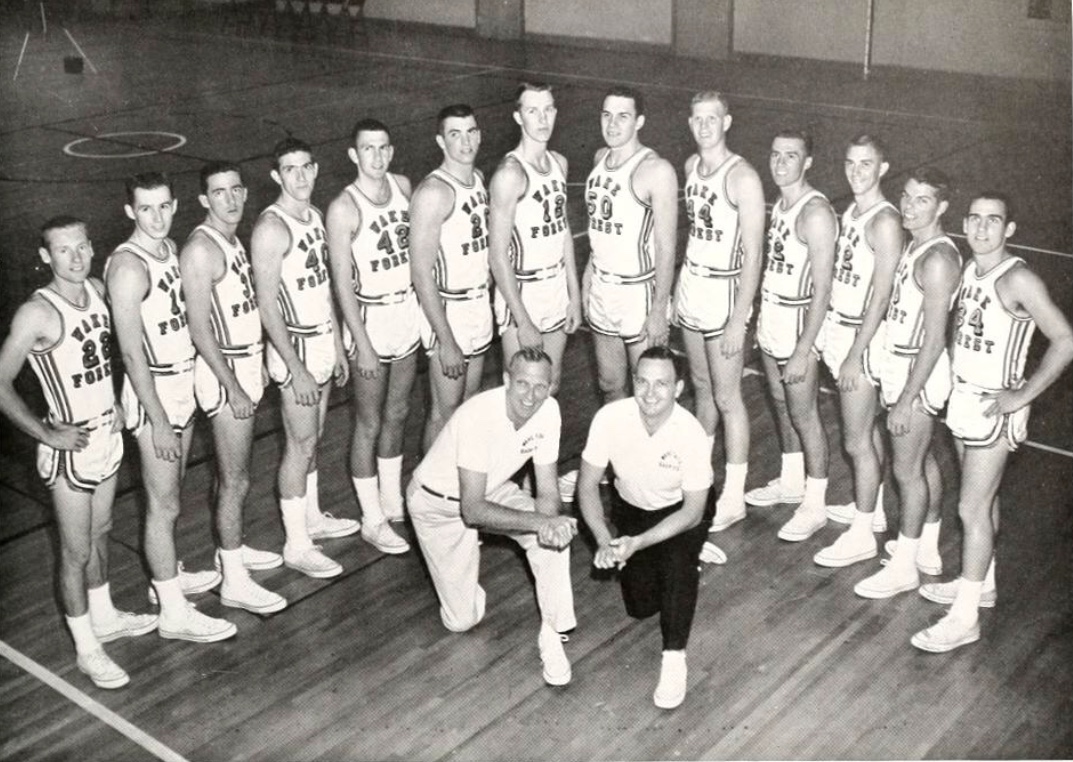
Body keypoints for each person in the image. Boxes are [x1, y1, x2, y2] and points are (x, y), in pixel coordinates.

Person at [0, 217, 157, 689]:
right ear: (46, 257)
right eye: (63, 250)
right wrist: (45, 433)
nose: (76, 256)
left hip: (107, 434)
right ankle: (88, 650)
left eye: (82, 246)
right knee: (74, 551)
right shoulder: (36, 313)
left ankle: (105, 615)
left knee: (102, 532)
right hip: (72, 450)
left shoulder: (97, 289)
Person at [912, 192, 1073, 651]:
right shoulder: (968, 269)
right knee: (982, 500)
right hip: (965, 399)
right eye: (976, 219)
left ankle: (964, 619)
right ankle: (980, 584)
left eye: (994, 220)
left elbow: (1065, 339)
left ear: (1010, 229)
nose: (982, 229)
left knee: (971, 509)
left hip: (993, 408)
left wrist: (1022, 394)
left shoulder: (1019, 279)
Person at [105, 173, 235, 642]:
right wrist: (157, 419)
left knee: (171, 499)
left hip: (179, 386)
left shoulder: (168, 250)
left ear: (176, 206)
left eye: (163, 207)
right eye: (145, 209)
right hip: (153, 395)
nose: (156, 217)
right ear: (130, 212)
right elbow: (130, 353)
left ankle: (167, 585)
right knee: (163, 506)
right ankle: (174, 614)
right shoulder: (128, 268)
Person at [406, 348, 577, 686]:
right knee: (463, 621)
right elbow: (471, 510)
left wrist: (549, 531)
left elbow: (546, 491)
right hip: (438, 504)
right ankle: (460, 573)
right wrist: (541, 523)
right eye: (522, 384)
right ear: (506, 381)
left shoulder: (549, 412)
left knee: (555, 540)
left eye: (540, 387)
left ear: (550, 387)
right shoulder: (477, 416)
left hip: (493, 488)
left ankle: (552, 632)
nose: (531, 396)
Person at [576, 346, 712, 709]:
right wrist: (606, 540)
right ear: (633, 381)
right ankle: (663, 558)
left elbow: (694, 510)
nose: (651, 393)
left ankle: (674, 658)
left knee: (679, 567)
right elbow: (586, 486)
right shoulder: (609, 417)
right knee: (640, 608)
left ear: (679, 388)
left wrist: (639, 543)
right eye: (643, 382)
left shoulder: (692, 433)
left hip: (680, 513)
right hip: (631, 511)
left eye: (662, 384)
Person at [179, 160, 287, 615]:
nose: (230, 199)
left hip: (243, 366)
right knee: (236, 480)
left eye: (236, 189)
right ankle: (235, 581)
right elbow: (199, 328)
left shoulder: (231, 237)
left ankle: (233, 554)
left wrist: (258, 360)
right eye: (219, 192)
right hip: (224, 375)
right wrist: (233, 387)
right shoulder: (202, 249)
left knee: (233, 476)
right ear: (204, 199)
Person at [854, 168, 960, 599]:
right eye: (908, 197)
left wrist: (906, 401)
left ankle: (904, 568)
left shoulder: (936, 260)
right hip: (902, 366)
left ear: (942, 207)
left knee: (906, 471)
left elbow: (934, 340)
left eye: (923, 200)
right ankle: (927, 549)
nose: (910, 207)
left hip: (918, 373)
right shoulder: (919, 248)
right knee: (922, 461)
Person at [251, 137, 353, 580]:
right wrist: (295, 367)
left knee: (315, 438)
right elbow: (267, 306)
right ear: (277, 175)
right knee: (299, 445)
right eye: (288, 169)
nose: (298, 176)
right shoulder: (271, 228)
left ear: (315, 169)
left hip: (322, 342)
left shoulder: (312, 216)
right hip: (295, 350)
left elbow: (322, 285)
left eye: (305, 167)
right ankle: (296, 544)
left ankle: (311, 518)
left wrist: (337, 338)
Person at [674, 91, 765, 533]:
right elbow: (693, 235)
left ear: (727, 122)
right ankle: (699, 476)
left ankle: (734, 495)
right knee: (702, 385)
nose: (704, 126)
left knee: (729, 398)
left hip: (726, 289)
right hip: (693, 283)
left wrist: (738, 316)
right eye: (697, 119)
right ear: (690, 123)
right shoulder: (691, 169)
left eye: (713, 119)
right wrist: (677, 288)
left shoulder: (742, 177)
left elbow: (753, 254)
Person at [812, 135, 902, 568]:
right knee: (868, 434)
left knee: (856, 440)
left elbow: (882, 297)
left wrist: (855, 354)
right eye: (850, 163)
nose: (856, 171)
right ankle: (876, 508)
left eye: (866, 164)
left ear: (883, 168)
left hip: (862, 339)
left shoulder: (884, 222)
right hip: (841, 328)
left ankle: (863, 534)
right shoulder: (852, 210)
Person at [325, 118, 414, 554]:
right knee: (369, 422)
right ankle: (371, 518)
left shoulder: (403, 186)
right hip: (370, 320)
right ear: (353, 155)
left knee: (398, 413)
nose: (376, 157)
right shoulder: (344, 207)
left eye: (383, 148)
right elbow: (341, 283)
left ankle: (392, 500)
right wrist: (359, 342)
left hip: (406, 312)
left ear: (391, 152)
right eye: (367, 149)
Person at [747, 130, 837, 542]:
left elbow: (823, 289)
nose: (781, 163)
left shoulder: (814, 212)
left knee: (804, 415)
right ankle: (790, 480)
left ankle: (815, 504)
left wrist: (805, 348)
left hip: (800, 322)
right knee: (781, 404)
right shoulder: (781, 204)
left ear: (808, 161)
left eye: (792, 156)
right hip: (773, 316)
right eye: (776, 154)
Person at [584, 86, 678, 402]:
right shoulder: (599, 159)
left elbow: (667, 247)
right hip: (602, 289)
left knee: (649, 391)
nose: (612, 124)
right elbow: (598, 231)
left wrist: (659, 309)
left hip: (637, 294)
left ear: (639, 121)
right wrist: (587, 282)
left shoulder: (656, 170)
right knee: (610, 383)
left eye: (623, 117)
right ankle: (621, 452)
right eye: (607, 115)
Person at [489, 82, 582, 394]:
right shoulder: (509, 173)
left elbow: (563, 230)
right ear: (519, 117)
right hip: (522, 291)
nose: (542, 119)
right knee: (520, 390)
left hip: (555, 288)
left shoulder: (559, 163)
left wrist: (574, 295)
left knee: (550, 385)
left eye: (548, 110)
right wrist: (523, 319)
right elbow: (497, 255)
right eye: (532, 111)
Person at [410, 104, 492, 452]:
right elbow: (420, 272)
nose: (465, 142)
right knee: (443, 414)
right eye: (455, 134)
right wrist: (445, 340)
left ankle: (456, 491)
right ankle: (426, 496)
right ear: (440, 141)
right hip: (449, 311)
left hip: (477, 306)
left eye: (471, 131)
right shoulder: (434, 193)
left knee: (468, 408)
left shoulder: (478, 180)